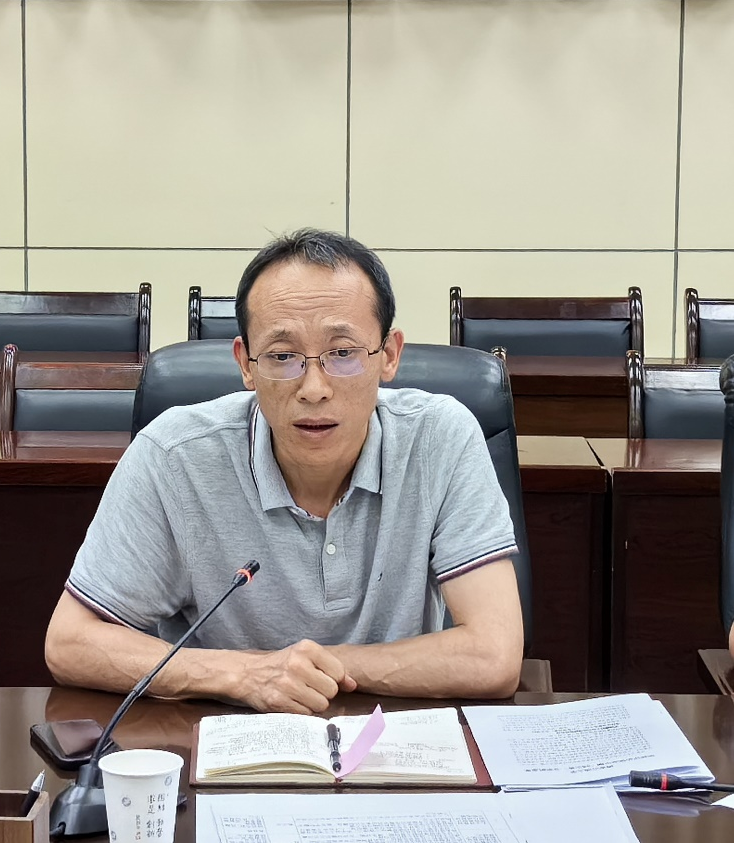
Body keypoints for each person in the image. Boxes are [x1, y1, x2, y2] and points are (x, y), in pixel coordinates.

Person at [45, 228, 523, 713]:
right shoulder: (173, 455)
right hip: (224, 735)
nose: (314, 388)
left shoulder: (440, 437)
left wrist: (304, 670)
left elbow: (493, 655)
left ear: (389, 355)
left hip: (394, 738)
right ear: (246, 364)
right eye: (282, 356)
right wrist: (243, 675)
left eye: (342, 353)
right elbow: (70, 642)